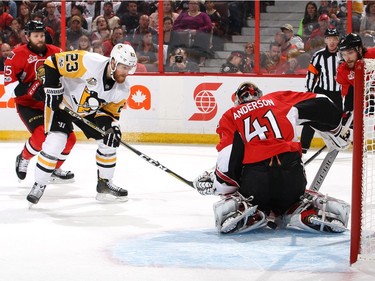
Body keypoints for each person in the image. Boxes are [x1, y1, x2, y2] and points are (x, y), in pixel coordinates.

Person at [193, 82, 351, 234]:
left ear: (237, 100)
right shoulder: (277, 100)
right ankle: (302, 211)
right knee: (294, 197)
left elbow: (228, 158)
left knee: (240, 190)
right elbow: (322, 101)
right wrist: (335, 129)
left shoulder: (231, 115)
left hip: (257, 184)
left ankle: (249, 211)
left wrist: (219, 184)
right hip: (292, 178)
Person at [25, 43, 138, 205]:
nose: (126, 73)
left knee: (108, 142)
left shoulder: (123, 89)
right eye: (123, 68)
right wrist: (51, 87)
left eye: (129, 69)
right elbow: (52, 62)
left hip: (87, 111)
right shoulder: (89, 61)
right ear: (113, 62)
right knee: (56, 141)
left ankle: (104, 183)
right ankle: (39, 184)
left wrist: (110, 128)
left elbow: (109, 113)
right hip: (62, 102)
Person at [4, 20, 76, 183]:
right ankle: (23, 158)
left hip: (52, 104)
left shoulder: (57, 52)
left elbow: (67, 77)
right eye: (36, 36)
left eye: (42, 35)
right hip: (28, 105)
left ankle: (53, 170)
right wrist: (31, 89)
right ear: (27, 37)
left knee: (70, 140)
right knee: (40, 136)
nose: (40, 39)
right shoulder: (16, 55)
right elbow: (9, 87)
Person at [301, 28, 342, 154]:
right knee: (311, 117)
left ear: (338, 40)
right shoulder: (318, 56)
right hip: (322, 92)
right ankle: (303, 147)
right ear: (325, 40)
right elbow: (311, 74)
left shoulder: (343, 55)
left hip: (338, 94)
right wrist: (309, 91)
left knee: (340, 120)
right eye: (329, 39)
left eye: (334, 39)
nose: (332, 42)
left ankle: (338, 144)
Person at [336, 33, 375, 113]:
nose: (347, 58)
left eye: (350, 53)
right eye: (344, 54)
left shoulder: (372, 54)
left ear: (359, 50)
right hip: (367, 112)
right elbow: (349, 101)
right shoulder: (343, 71)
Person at [171, 0, 212, 66]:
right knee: (175, 36)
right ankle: (178, 61)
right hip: (184, 34)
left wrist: (197, 31)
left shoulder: (203, 15)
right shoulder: (183, 15)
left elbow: (209, 26)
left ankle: (201, 61)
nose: (193, 5)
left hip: (199, 34)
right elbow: (175, 25)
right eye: (191, 3)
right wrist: (182, 31)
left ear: (198, 6)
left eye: (195, 3)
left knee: (202, 36)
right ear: (188, 5)